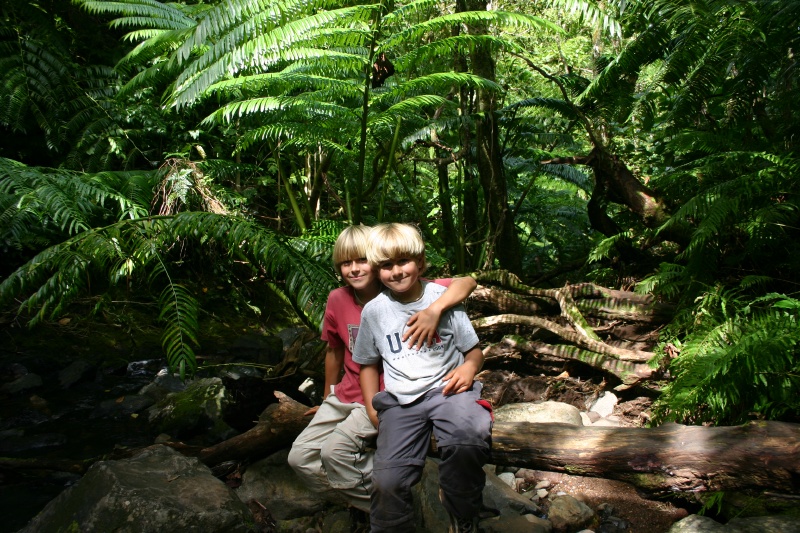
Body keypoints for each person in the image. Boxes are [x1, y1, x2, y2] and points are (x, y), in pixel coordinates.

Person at [287, 225, 477, 530]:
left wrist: (435, 309)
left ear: (376, 262)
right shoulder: (340, 299)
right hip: (346, 393)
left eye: (362, 260)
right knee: (299, 458)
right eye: (345, 263)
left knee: (334, 453)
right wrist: (326, 398)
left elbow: (467, 281)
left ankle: (394, 502)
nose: (354, 269)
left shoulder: (405, 285)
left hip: (385, 394)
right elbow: (334, 351)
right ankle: (377, 501)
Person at [353, 223, 492, 533]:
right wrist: (372, 409)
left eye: (403, 261)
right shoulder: (374, 312)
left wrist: (469, 369)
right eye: (386, 265)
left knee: (468, 439)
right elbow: (367, 364)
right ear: (377, 271)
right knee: (387, 480)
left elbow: (474, 352)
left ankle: (463, 511)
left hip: (450, 391)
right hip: (401, 403)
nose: (396, 271)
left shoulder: (442, 297)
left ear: (420, 262)